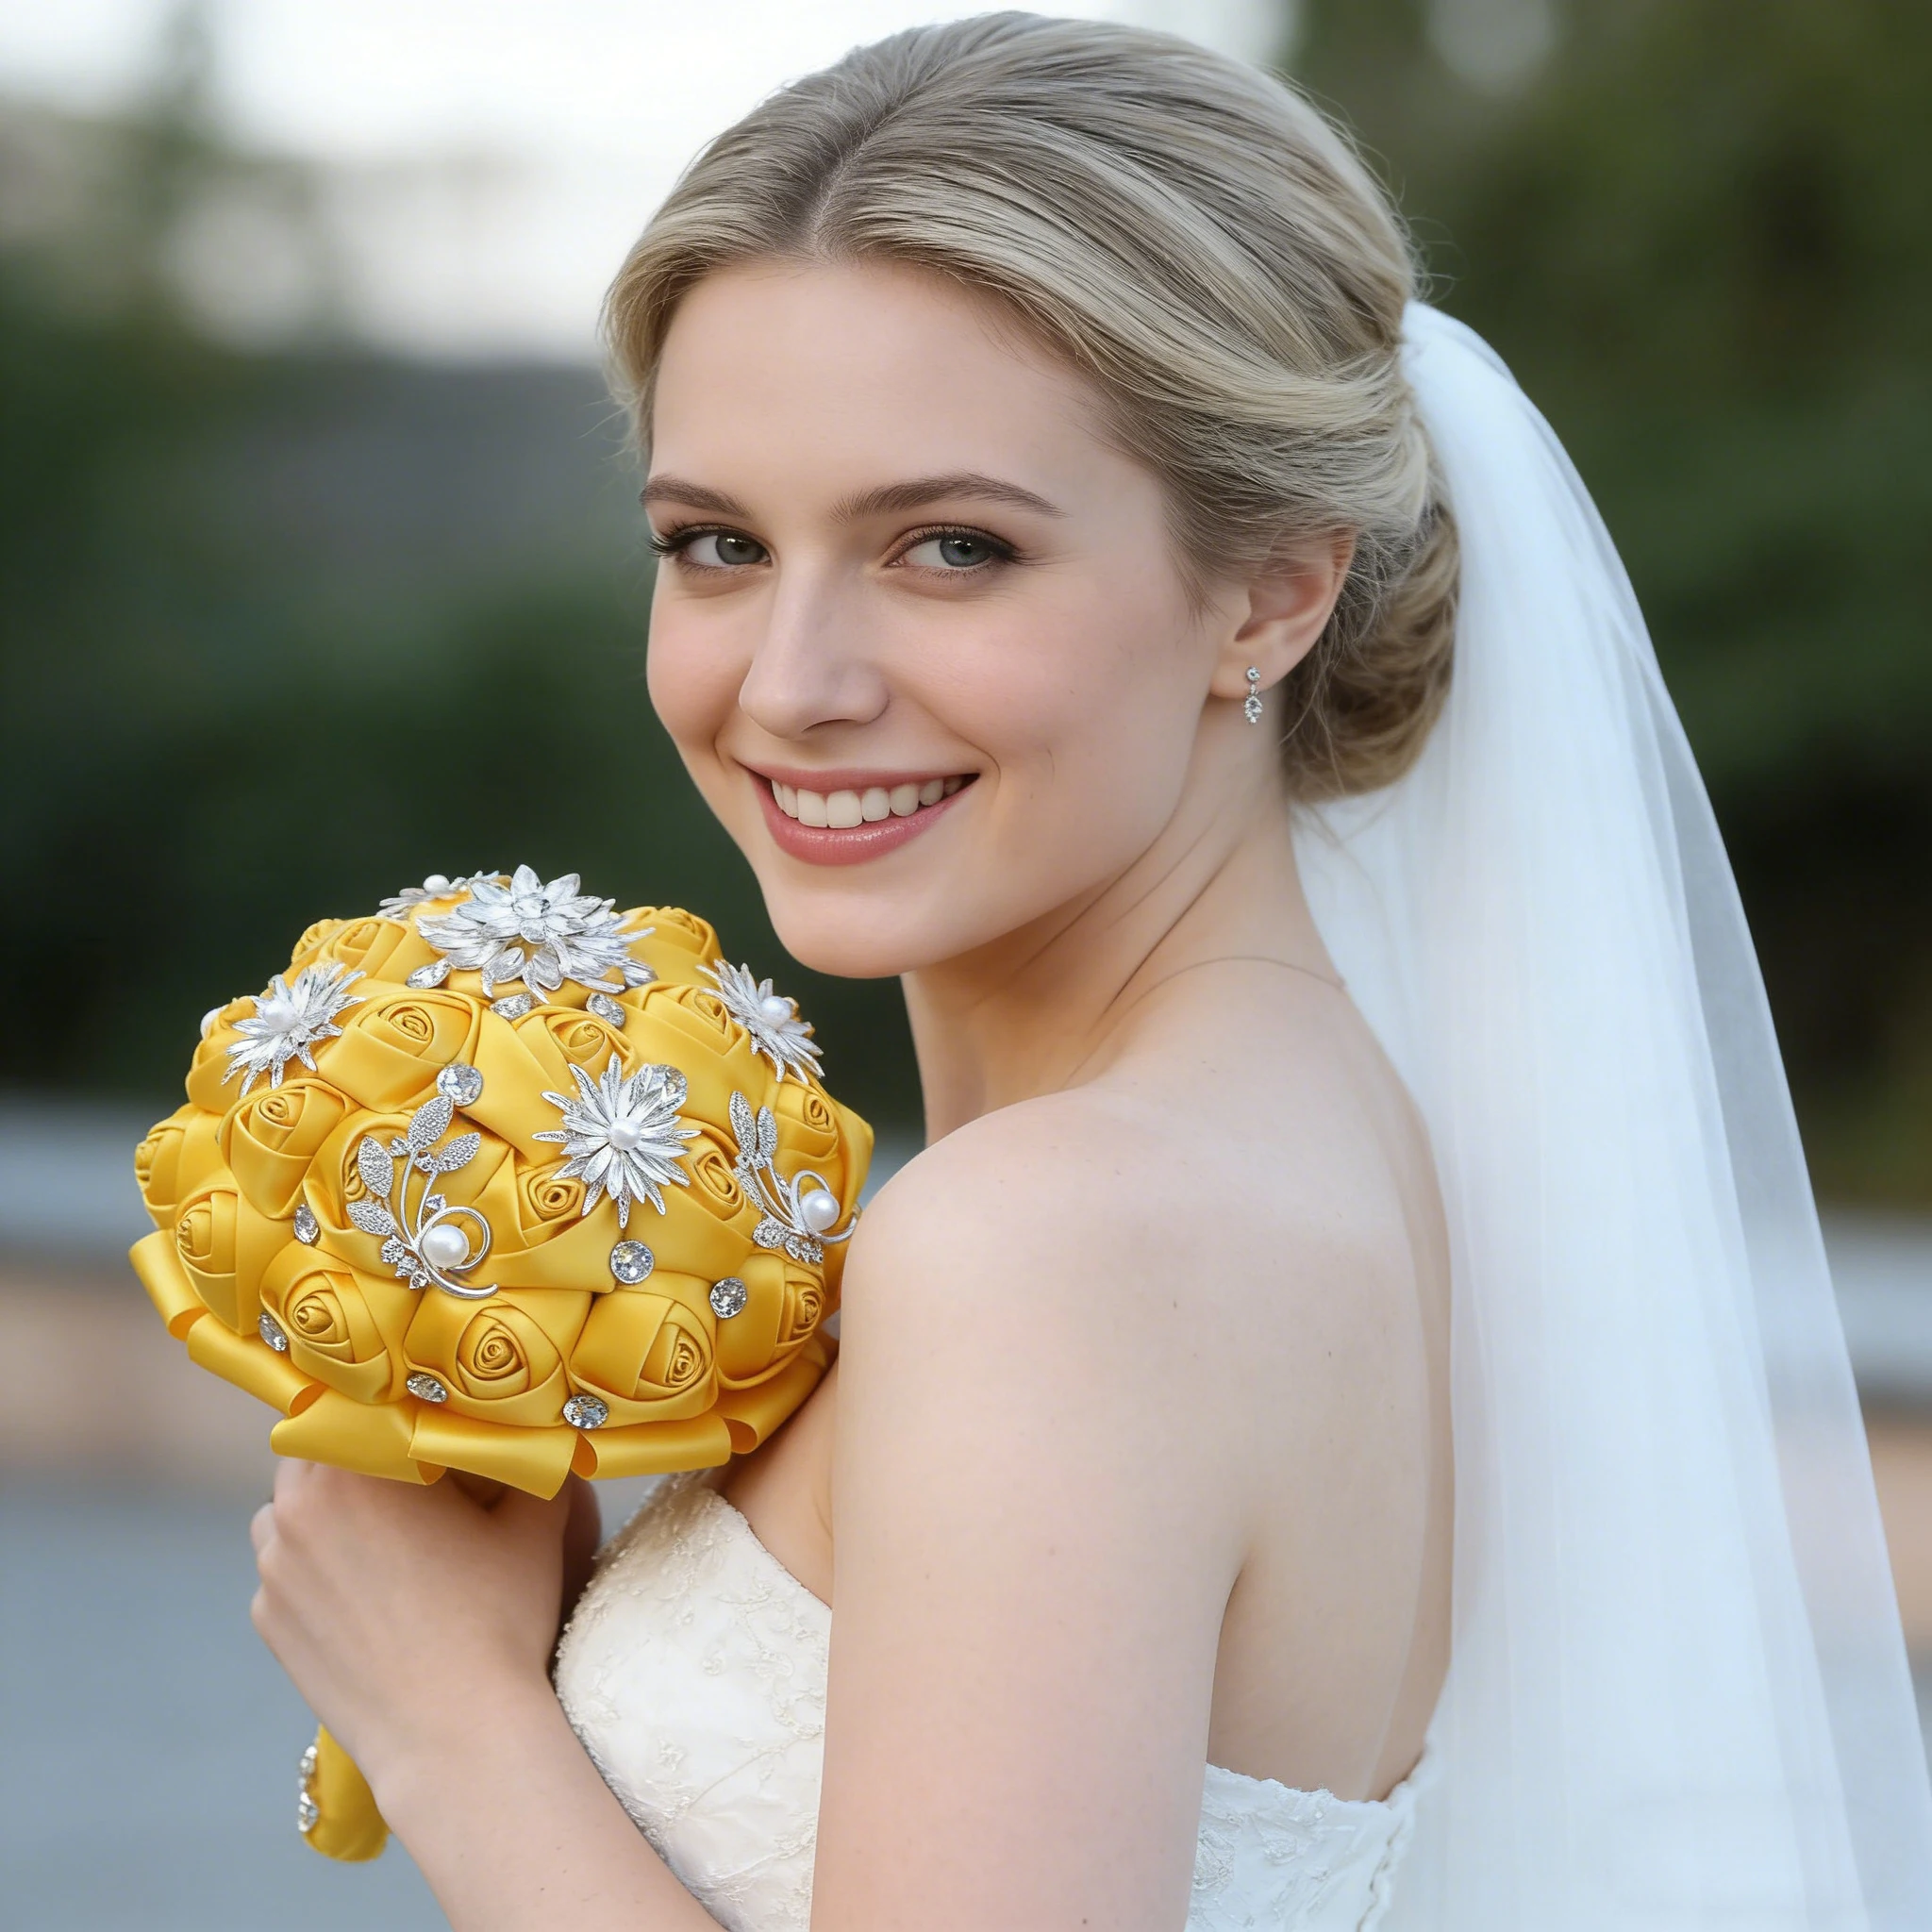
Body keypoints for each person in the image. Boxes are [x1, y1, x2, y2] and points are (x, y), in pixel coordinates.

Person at [244, 15, 1932, 1928]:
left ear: (1272, 592)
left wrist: (451, 1713)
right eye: (714, 543)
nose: (789, 680)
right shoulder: (1324, 1144)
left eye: (949, 547)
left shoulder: (1053, 1243)